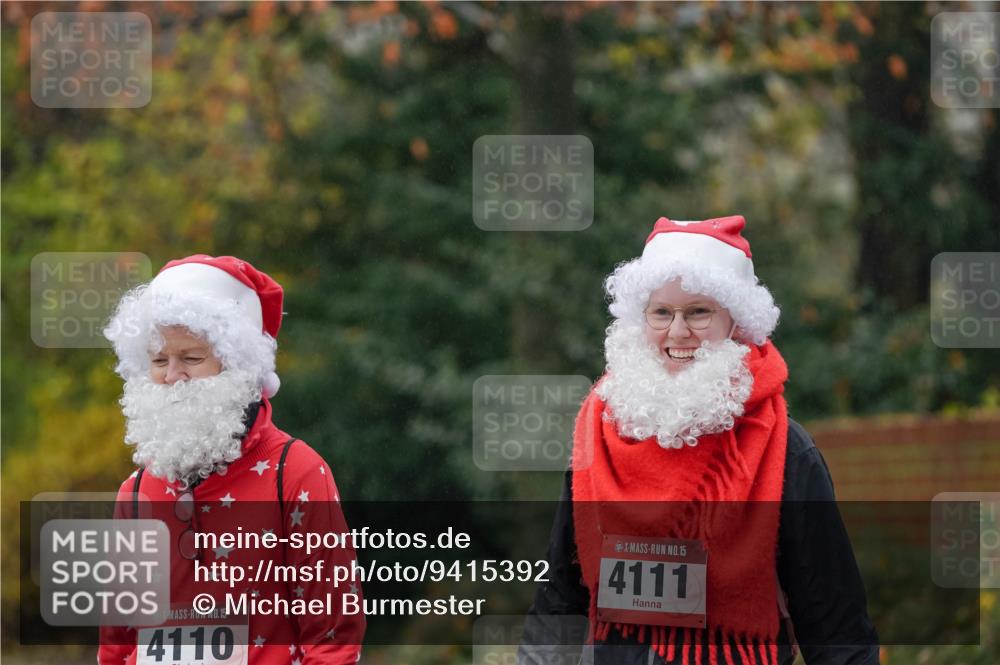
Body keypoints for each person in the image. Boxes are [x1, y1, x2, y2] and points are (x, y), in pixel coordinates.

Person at [522, 217, 879, 665]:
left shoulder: (786, 450)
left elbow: (835, 625)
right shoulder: (597, 432)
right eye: (661, 313)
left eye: (698, 312)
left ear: (736, 321)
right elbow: (559, 597)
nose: (676, 333)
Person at [97, 255, 365, 665]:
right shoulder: (134, 494)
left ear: (236, 364)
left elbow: (332, 636)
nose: (171, 376)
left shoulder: (296, 473)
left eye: (190, 358)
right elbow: (117, 643)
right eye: (157, 360)